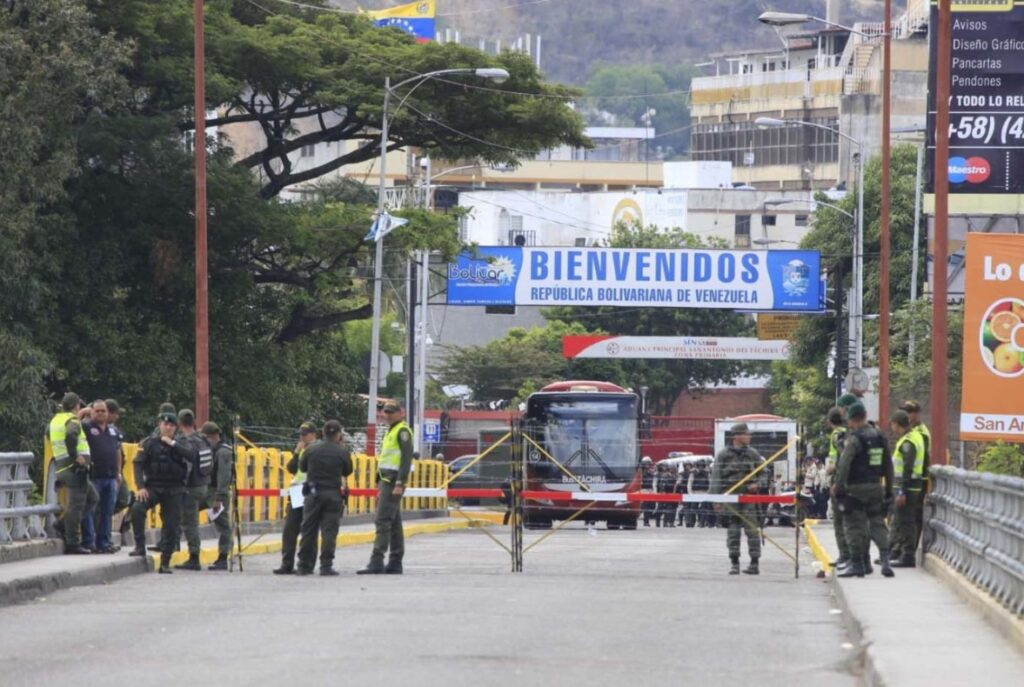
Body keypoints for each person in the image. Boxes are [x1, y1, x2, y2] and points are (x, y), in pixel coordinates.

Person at [832, 402, 894, 579]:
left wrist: (839, 487)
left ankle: (858, 565)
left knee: (854, 526)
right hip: (876, 486)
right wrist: (888, 488)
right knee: (877, 523)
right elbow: (888, 465)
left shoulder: (855, 439)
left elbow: (844, 464)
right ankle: (885, 560)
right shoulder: (880, 436)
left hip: (855, 489)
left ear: (852, 419)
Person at [130, 410, 196, 573]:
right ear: (159, 425)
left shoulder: (182, 443)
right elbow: (137, 464)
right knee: (137, 508)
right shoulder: (149, 443)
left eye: (171, 425)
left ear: (176, 428)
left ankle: (165, 561)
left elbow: (192, 456)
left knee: (172, 525)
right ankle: (139, 546)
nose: (168, 427)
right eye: (165, 424)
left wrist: (172, 444)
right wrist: (141, 487)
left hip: (174, 489)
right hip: (153, 487)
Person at [358, 401, 413, 575]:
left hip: (393, 481)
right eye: (385, 412)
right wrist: (377, 480)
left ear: (400, 413)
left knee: (382, 520)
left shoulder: (402, 431)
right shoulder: (391, 431)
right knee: (394, 523)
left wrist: (400, 483)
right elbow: (386, 458)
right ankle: (395, 561)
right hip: (386, 480)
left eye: (391, 412)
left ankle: (377, 560)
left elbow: (405, 460)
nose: (387, 415)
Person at [296, 420, 353, 576]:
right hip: (333, 495)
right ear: (338, 434)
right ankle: (326, 565)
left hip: (313, 493)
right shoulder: (342, 452)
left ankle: (304, 565)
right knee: (329, 531)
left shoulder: (311, 449)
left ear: (323, 432)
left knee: (308, 529)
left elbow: (302, 467)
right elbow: (347, 471)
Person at [711, 423, 767, 575]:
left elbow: (764, 473)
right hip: (731, 499)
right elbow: (716, 477)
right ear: (736, 436)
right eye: (746, 434)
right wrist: (716, 500)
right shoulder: (723, 455)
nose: (749, 437)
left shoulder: (753, 454)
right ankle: (734, 562)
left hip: (749, 498)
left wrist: (758, 484)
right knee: (733, 532)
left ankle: (754, 563)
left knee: (752, 531)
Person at [50, 393, 97, 554]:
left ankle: (63, 524)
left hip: (62, 467)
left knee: (92, 498)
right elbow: (70, 435)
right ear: (77, 406)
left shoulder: (56, 419)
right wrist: (75, 456)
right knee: (76, 506)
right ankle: (72, 542)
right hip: (74, 469)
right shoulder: (73, 421)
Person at [274, 422, 318, 575]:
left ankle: (306, 563)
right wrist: (297, 452)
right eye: (301, 434)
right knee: (290, 529)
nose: (302, 437)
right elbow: (292, 468)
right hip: (297, 490)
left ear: (313, 434)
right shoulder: (301, 450)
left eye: (305, 434)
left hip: (311, 489)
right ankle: (287, 563)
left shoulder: (317, 449)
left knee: (309, 529)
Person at [174, 409, 213, 571]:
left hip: (191, 487)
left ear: (179, 423)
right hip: (204, 486)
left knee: (190, 523)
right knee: (191, 520)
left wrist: (181, 485)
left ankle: (194, 557)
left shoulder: (187, 441)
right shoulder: (202, 439)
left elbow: (188, 466)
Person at [887, 410, 926, 568]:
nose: (891, 427)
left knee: (906, 521)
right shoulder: (913, 437)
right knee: (902, 521)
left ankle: (908, 555)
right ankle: (901, 553)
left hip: (908, 489)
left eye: (892, 424)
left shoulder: (908, 442)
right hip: (910, 487)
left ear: (897, 424)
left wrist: (902, 491)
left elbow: (907, 469)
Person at [83, 400, 122, 553]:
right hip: (93, 476)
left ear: (108, 413)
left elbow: (117, 451)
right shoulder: (86, 427)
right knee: (90, 511)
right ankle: (89, 542)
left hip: (111, 477)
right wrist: (83, 411)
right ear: (91, 412)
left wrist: (119, 472)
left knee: (107, 511)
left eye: (103, 411)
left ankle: (104, 543)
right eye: (97, 411)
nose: (100, 413)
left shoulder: (113, 431)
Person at [199, 422, 235, 571]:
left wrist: (219, 497)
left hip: (216, 492)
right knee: (185, 512)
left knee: (224, 526)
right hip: (206, 489)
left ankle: (223, 557)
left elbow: (223, 476)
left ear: (212, 436)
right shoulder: (212, 449)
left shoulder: (223, 452)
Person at [900, 399, 931, 551]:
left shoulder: (920, 433)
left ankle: (909, 549)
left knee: (913, 516)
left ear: (917, 414)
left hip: (918, 479)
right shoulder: (912, 431)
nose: (907, 415)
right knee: (907, 516)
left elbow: (919, 459)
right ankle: (903, 547)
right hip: (913, 479)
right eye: (905, 411)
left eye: (909, 412)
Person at [686, 460, 712, 528]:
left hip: (704, 493)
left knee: (703, 509)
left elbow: (710, 484)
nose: (701, 467)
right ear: (697, 466)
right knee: (693, 508)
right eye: (699, 466)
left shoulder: (707, 474)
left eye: (702, 466)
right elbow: (689, 483)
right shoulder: (693, 473)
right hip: (695, 493)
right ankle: (692, 522)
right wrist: (690, 493)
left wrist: (708, 493)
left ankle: (701, 523)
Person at [639, 456, 655, 526]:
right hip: (643, 490)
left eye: (649, 464)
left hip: (650, 490)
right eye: (647, 464)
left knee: (652, 505)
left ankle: (646, 518)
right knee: (646, 506)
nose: (648, 465)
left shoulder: (651, 472)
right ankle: (646, 522)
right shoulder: (640, 472)